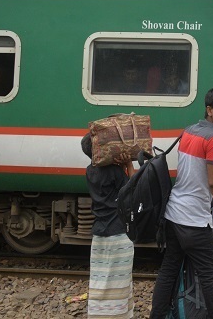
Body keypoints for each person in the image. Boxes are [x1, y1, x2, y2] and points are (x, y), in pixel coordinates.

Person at [150, 87, 213, 319]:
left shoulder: (189, 130)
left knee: (169, 270)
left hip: (173, 214)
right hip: (194, 220)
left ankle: (157, 315)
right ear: (209, 110)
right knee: (210, 276)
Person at [81, 134, 134, 319]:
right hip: (119, 235)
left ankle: (98, 314)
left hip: (99, 235)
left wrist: (119, 167)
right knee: (120, 282)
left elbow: (111, 186)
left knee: (101, 282)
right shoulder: (115, 171)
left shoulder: (90, 170)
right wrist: (128, 164)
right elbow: (133, 189)